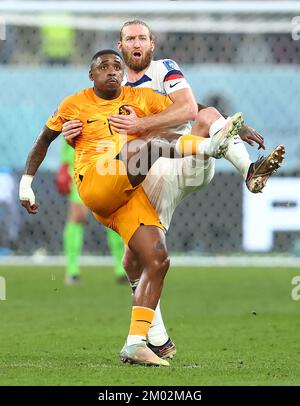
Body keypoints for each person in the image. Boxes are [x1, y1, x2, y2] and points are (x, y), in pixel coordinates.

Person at [62, 20, 285, 361]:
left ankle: (251, 172)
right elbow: (89, 118)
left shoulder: (165, 70)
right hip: (146, 176)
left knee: (208, 114)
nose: (136, 43)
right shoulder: (113, 84)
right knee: (140, 258)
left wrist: (145, 126)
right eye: (130, 38)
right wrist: (72, 132)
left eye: (142, 38)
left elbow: (188, 109)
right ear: (120, 46)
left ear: (152, 44)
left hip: (179, 160)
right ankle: (156, 337)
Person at [19, 50, 248, 367]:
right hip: (97, 181)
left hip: (127, 194)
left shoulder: (140, 97)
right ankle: (211, 148)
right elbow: (44, 139)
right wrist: (26, 183)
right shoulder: (74, 103)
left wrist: (225, 125)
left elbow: (188, 113)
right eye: (103, 66)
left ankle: (136, 342)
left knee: (157, 259)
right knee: (144, 146)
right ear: (91, 74)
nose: (112, 71)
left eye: (116, 66)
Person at [55, 140, 126, 284]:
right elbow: (67, 128)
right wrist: (64, 164)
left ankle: (121, 268)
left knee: (112, 214)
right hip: (81, 165)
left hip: (107, 165)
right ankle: (72, 270)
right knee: (78, 215)